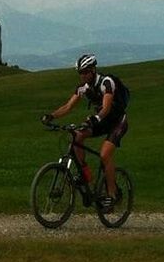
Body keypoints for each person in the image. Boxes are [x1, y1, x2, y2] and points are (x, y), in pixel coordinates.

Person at [40, 53, 129, 211]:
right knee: (77, 137)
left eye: (85, 72)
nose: (83, 76)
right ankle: (85, 177)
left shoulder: (106, 83)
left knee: (105, 154)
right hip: (101, 121)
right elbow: (68, 107)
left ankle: (112, 194)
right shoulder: (83, 88)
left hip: (117, 121)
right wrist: (51, 116)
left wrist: (95, 118)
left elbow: (107, 108)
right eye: (80, 73)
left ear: (93, 70)